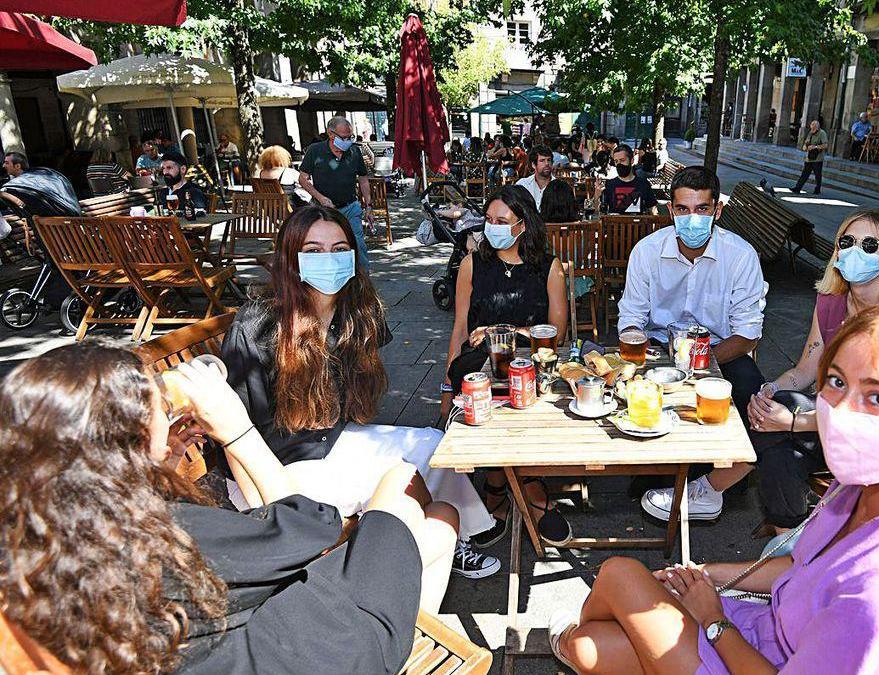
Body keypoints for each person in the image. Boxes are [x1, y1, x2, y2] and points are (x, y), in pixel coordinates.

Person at [552, 302, 879, 675]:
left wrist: (712, 619)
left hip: (748, 650)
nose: (838, 411)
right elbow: (801, 565)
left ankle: (571, 642)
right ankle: (576, 645)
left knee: (617, 575)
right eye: (837, 382)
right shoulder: (864, 490)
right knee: (591, 646)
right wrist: (709, 575)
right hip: (763, 633)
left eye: (878, 398)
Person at [0, 342, 457, 673]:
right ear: (130, 434)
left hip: (227, 639)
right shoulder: (161, 536)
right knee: (399, 484)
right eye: (155, 402)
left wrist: (165, 464)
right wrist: (237, 430)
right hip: (318, 650)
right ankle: (393, 640)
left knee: (437, 528)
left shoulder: (48, 532)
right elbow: (310, 525)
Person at [222, 204, 502, 579]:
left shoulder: (354, 314)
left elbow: (358, 396)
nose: (329, 260)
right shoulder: (257, 328)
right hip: (272, 467)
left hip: (328, 441)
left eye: (339, 250)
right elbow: (232, 434)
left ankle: (454, 538)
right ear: (291, 259)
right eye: (314, 251)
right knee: (403, 475)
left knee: (433, 444)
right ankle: (417, 550)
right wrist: (265, 516)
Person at [750, 209, 879, 538]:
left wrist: (792, 422)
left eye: (870, 245)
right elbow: (805, 369)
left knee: (778, 432)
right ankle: (790, 535)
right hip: (832, 417)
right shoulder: (831, 301)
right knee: (773, 410)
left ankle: (785, 531)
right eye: (848, 242)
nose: (856, 250)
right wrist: (768, 390)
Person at [621, 166, 767, 522]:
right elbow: (631, 320)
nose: (692, 218)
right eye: (683, 209)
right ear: (670, 210)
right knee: (633, 399)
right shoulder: (646, 252)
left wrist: (701, 363)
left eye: (702, 209)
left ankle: (715, 482)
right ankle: (667, 468)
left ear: (717, 210)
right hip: (659, 346)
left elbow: (749, 331)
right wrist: (645, 356)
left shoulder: (740, 255)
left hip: (722, 349)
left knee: (756, 398)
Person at [439, 186, 573, 547]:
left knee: (524, 412)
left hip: (531, 370)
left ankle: (499, 486)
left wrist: (507, 332)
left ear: (523, 225)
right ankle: (528, 490)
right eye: (489, 219)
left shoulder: (548, 267)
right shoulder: (473, 263)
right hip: (479, 372)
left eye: (502, 221)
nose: (492, 227)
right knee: (486, 412)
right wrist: (447, 384)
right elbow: (460, 328)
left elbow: (556, 334)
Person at [298, 116, 374, 268]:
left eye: (350, 137)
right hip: (324, 210)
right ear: (331, 134)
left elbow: (363, 179)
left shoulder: (354, 151)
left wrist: (369, 205)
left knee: (358, 245)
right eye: (344, 137)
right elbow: (303, 179)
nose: (347, 141)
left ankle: (364, 284)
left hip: (350, 206)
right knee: (327, 247)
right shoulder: (315, 150)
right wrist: (320, 197)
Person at [602, 143, 657, 213]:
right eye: (616, 161)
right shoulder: (609, 184)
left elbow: (653, 210)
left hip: (638, 223)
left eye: (622, 160)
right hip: (614, 223)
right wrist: (597, 196)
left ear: (632, 161)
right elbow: (600, 212)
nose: (619, 164)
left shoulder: (644, 184)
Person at [158, 151, 208, 216]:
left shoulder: (193, 192)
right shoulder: (163, 192)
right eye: (163, 168)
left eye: (169, 168)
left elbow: (201, 217)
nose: (165, 172)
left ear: (183, 169)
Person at [790, 120, 828, 195]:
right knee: (804, 174)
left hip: (818, 158)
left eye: (814, 128)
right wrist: (806, 147)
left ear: (817, 127)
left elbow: (825, 145)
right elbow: (805, 144)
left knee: (817, 175)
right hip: (809, 158)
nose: (812, 130)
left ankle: (817, 189)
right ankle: (797, 188)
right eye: (811, 127)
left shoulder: (822, 133)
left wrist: (815, 147)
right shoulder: (810, 133)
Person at [516, 144, 554, 208]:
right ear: (533, 165)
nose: (547, 164)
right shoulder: (522, 185)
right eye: (542, 160)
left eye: (549, 160)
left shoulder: (560, 187)